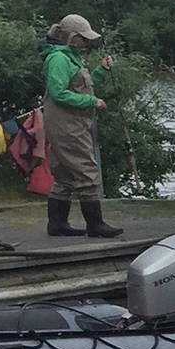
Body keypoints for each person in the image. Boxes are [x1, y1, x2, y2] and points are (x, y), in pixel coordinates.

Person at [41, 13, 121, 238]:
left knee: (65, 174)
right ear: (72, 37)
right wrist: (92, 101)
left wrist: (101, 72)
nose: (87, 42)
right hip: (67, 126)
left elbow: (81, 85)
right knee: (87, 170)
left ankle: (57, 224)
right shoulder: (59, 59)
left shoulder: (71, 57)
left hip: (68, 124)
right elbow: (58, 93)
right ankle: (96, 225)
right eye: (83, 38)